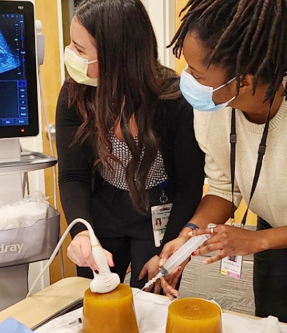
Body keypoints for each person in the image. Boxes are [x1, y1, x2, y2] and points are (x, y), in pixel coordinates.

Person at [160, 0, 287, 325]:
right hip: (277, 221)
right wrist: (190, 233)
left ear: (244, 81)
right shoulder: (214, 105)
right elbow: (223, 188)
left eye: (197, 72)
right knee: (274, 321)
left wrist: (259, 240)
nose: (187, 79)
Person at [56, 0, 205, 292]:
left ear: (116, 56)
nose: (70, 55)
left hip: (158, 212)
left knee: (151, 295)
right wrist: (81, 232)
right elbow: (73, 175)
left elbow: (189, 186)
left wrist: (167, 253)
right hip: (103, 207)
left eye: (79, 48)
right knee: (96, 297)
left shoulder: (174, 101)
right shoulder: (75, 93)